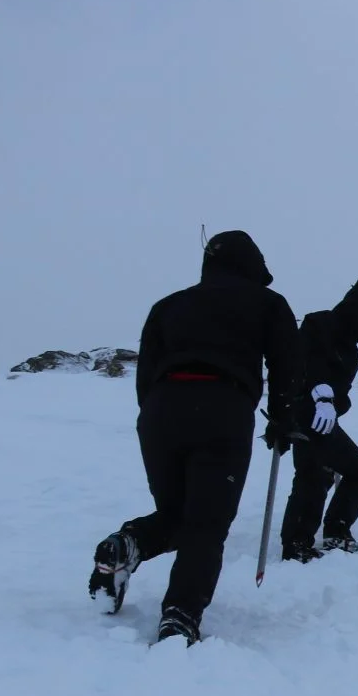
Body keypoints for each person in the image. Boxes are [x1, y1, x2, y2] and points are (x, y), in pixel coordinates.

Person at [88, 229, 300, 645]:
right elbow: (287, 363)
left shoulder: (168, 306)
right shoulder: (267, 303)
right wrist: (283, 417)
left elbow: (146, 373)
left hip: (161, 411)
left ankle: (126, 546)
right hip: (223, 408)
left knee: (175, 514)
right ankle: (181, 614)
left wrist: (157, 412)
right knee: (206, 523)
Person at [278, 276, 358, 562]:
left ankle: (330, 533)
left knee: (349, 474)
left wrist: (334, 404)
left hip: (325, 420)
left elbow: (342, 395)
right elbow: (306, 364)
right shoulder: (318, 324)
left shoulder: (351, 351)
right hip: (305, 414)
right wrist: (321, 396)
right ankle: (297, 545)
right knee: (316, 474)